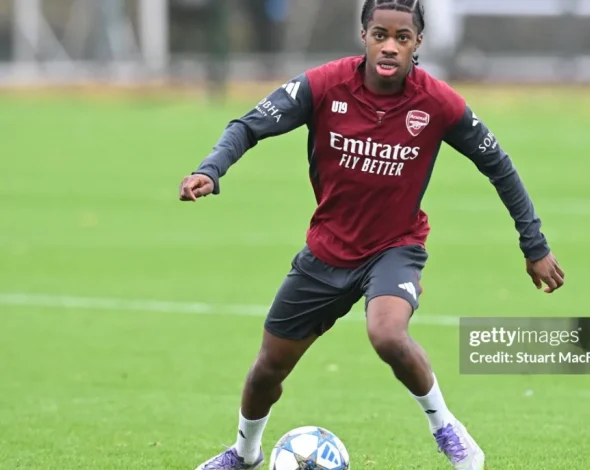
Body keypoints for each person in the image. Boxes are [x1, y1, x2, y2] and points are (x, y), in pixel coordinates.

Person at [180, 1, 565, 469]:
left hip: (394, 248)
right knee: (267, 370)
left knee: (387, 334)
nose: (389, 46)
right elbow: (247, 125)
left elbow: (498, 165)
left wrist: (535, 246)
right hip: (326, 252)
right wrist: (211, 170)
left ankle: (447, 429)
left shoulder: (438, 102)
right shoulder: (322, 85)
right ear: (363, 35)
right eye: (380, 34)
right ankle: (244, 455)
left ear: (417, 44)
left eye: (402, 38)